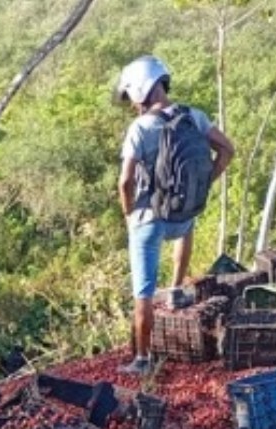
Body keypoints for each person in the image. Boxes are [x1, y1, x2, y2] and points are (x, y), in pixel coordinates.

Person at [114, 55, 235, 376]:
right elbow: (227, 150)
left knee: (143, 292)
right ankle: (177, 287)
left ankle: (142, 360)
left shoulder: (140, 128)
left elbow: (125, 181)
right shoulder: (194, 117)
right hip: (182, 216)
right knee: (187, 223)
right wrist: (204, 184)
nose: (131, 105)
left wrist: (128, 214)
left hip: (148, 221)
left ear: (140, 91)